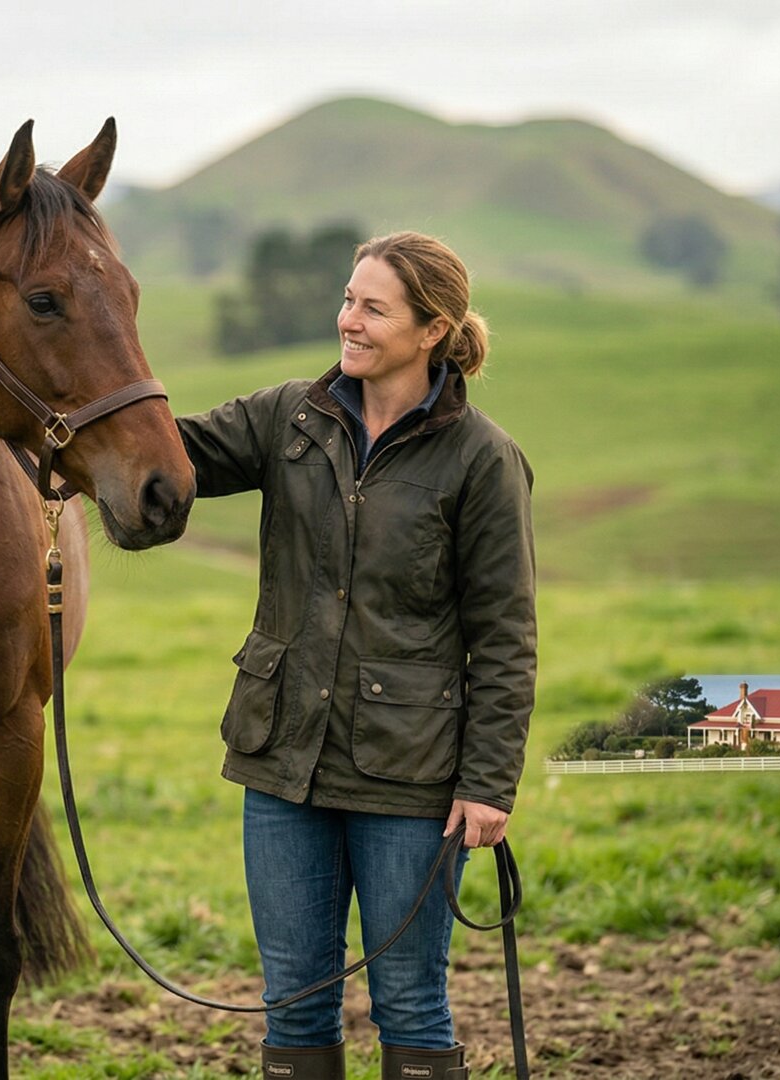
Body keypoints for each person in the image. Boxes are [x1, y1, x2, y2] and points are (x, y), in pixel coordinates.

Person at [175, 232, 536, 1080]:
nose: (349, 320)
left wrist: (488, 782)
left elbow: (507, 637)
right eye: (347, 300)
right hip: (282, 764)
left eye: (373, 308)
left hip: (407, 776)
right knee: (294, 998)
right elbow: (168, 456)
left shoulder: (482, 461)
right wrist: (57, 431)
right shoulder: (288, 418)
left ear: (432, 330)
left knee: (410, 998)